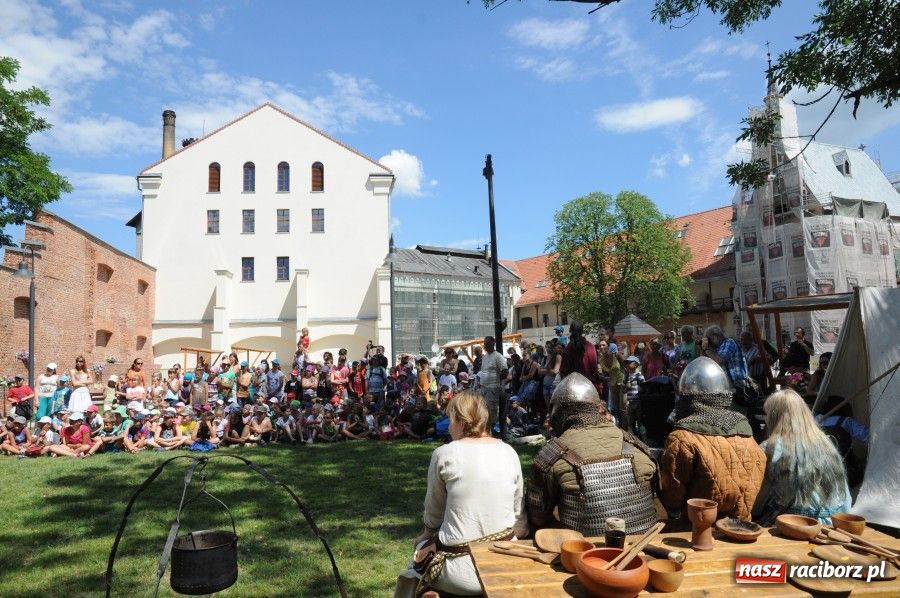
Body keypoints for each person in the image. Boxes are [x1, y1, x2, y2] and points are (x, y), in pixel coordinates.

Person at [397, 391, 527, 597]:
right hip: (506, 560)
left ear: (462, 422)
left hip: (459, 571)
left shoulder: (444, 454)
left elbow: (434, 513)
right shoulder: (509, 452)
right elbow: (518, 512)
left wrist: (425, 535)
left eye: (450, 420)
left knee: (416, 559)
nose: (448, 427)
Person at [526, 373, 657, 535]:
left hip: (584, 553)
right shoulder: (636, 445)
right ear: (597, 408)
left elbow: (537, 518)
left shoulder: (549, 456)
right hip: (645, 549)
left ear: (558, 412)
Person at [659, 357, 766, 520]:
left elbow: (673, 495)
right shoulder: (747, 433)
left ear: (688, 398)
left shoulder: (682, 438)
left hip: (695, 528)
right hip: (740, 527)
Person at [753, 389, 851, 524]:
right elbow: (843, 492)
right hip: (832, 521)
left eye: (766, 414)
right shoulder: (827, 443)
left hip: (794, 523)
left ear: (773, 416)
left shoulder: (770, 447)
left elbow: (759, 498)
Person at [559, 321, 602, 396]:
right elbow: (595, 367)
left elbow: (564, 369)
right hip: (591, 386)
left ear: (570, 331)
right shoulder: (591, 346)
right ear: (582, 331)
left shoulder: (569, 348)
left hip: (574, 389)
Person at [478, 336, 507, 428]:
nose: (485, 346)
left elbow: (505, 372)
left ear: (493, 344)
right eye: (484, 344)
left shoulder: (498, 356)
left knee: (492, 411)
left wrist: (496, 380)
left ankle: (492, 431)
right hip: (483, 387)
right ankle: (486, 429)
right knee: (484, 410)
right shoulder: (485, 357)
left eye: (487, 344)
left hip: (493, 387)